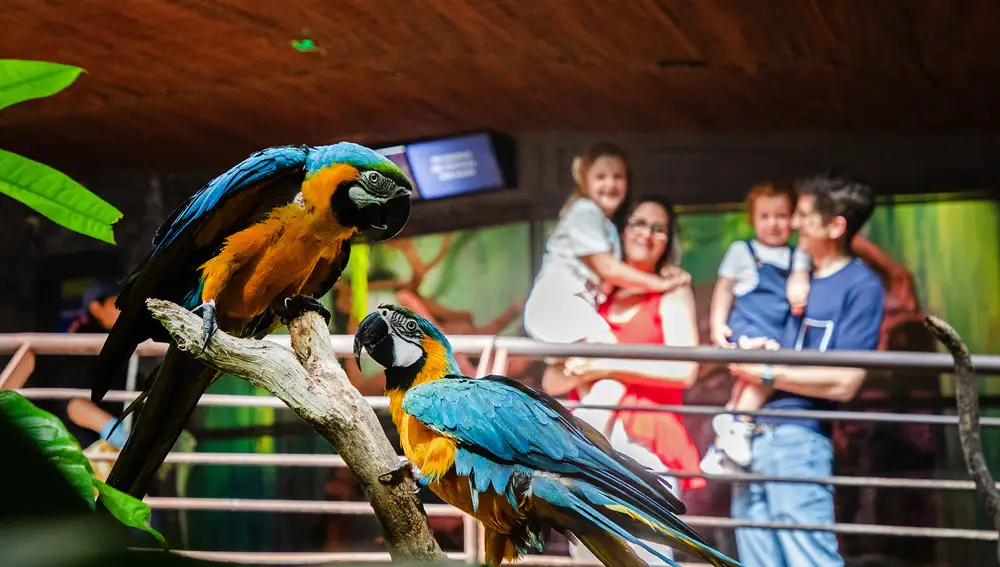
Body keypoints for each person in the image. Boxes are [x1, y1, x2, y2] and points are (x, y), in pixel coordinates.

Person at [728, 171, 885, 567]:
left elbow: (846, 382)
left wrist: (764, 374)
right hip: (749, 438)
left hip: (800, 437)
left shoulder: (861, 286)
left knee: (809, 560)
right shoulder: (791, 273)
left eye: (804, 216)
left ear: (835, 226)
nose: (793, 224)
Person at [541, 195, 703, 566]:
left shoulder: (672, 291)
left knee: (648, 554)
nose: (647, 234)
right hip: (582, 444)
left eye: (658, 227)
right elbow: (553, 380)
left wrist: (604, 367)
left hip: (645, 436)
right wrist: (584, 369)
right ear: (621, 231)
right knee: (588, 556)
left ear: (669, 240)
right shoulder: (594, 294)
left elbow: (685, 369)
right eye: (639, 223)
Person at [524, 142, 688, 439]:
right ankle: (593, 435)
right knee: (608, 349)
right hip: (561, 302)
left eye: (618, 177)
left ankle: (593, 434)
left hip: (649, 432)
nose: (610, 184)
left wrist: (666, 278)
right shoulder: (586, 213)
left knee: (603, 363)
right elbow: (608, 268)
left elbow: (686, 371)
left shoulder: (602, 227)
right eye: (601, 176)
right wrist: (659, 283)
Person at [701, 182, 812, 474]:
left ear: (793, 219)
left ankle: (720, 446)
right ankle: (742, 425)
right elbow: (724, 289)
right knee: (762, 376)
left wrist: (799, 288)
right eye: (765, 216)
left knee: (747, 383)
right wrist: (717, 325)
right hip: (750, 327)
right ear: (753, 219)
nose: (773, 224)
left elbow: (801, 276)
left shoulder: (797, 254)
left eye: (781, 216)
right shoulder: (743, 251)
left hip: (779, 330)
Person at [30, 280, 129, 449]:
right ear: (96, 308)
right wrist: (113, 430)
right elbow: (73, 402)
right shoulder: (83, 343)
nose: (124, 310)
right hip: (83, 444)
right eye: (116, 304)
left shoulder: (115, 339)